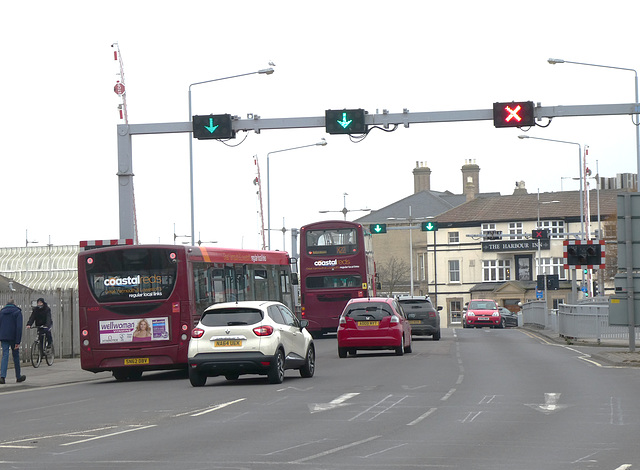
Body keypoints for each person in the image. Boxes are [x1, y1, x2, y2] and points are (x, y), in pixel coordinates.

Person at [0, 299, 26, 384]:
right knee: (16, 356)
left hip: (3, 336)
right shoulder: (17, 312)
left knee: (5, 355)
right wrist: (18, 341)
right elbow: (19, 327)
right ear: (14, 304)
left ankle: (2, 377)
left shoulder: (2, 312)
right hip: (14, 338)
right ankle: (18, 376)